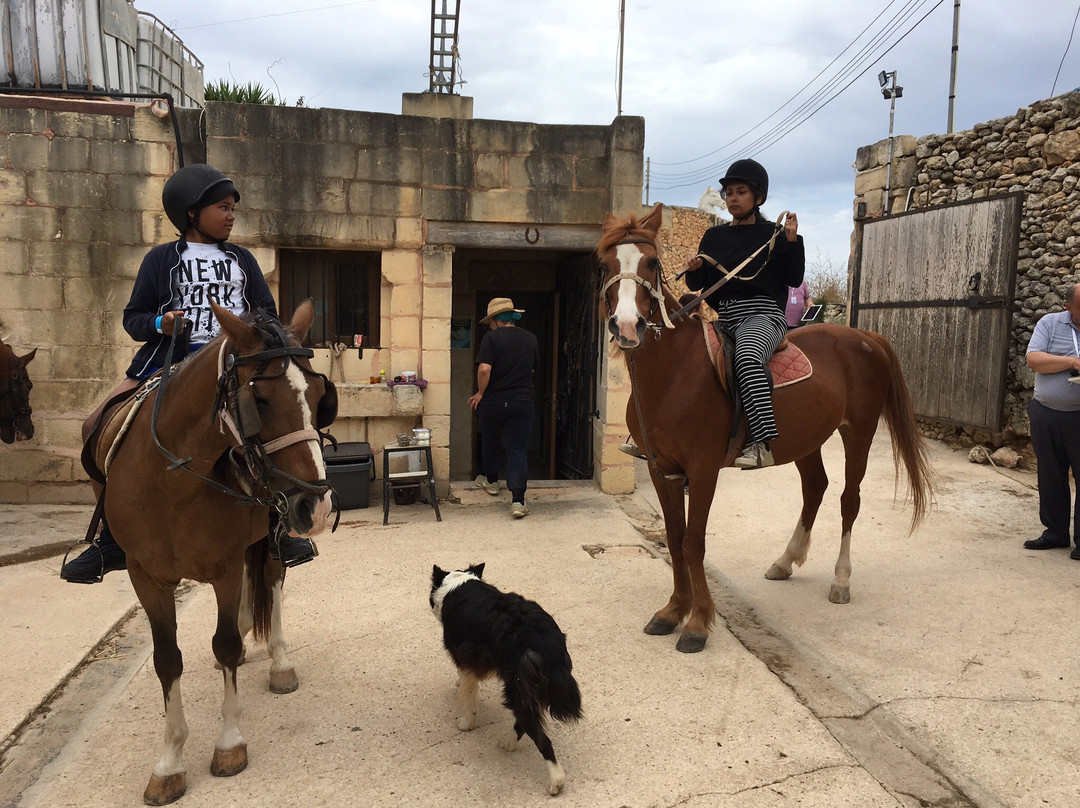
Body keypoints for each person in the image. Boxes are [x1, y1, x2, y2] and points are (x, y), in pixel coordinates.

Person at [61, 164, 316, 583]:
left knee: (276, 425)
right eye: (223, 207)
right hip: (169, 362)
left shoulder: (243, 260)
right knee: (95, 424)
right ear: (192, 212)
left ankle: (277, 529)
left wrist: (262, 342)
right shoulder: (160, 259)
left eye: (232, 208)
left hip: (236, 367)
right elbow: (133, 318)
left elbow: (268, 316)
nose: (231, 215)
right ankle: (111, 538)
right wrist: (160, 323)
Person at [683, 158, 804, 469]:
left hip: (763, 315)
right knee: (684, 358)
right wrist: (693, 270)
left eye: (741, 192)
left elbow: (793, 279)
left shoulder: (775, 233)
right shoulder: (714, 237)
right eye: (729, 193)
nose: (732, 198)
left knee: (747, 358)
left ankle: (761, 444)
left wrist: (792, 242)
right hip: (725, 317)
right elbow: (699, 285)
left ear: (758, 197)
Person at [467, 297, 539, 518]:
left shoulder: (491, 338)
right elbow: (532, 370)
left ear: (497, 320)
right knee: (517, 449)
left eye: (490, 321)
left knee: (490, 440)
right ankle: (518, 501)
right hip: (523, 401)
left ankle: (491, 481)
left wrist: (480, 392)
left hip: (494, 401)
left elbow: (484, 369)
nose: (490, 326)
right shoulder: (530, 338)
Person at [1023, 282, 1080, 560]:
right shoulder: (1050, 323)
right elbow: (1034, 359)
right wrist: (1072, 362)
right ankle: (1055, 533)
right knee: (1051, 475)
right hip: (1046, 413)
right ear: (1069, 307)